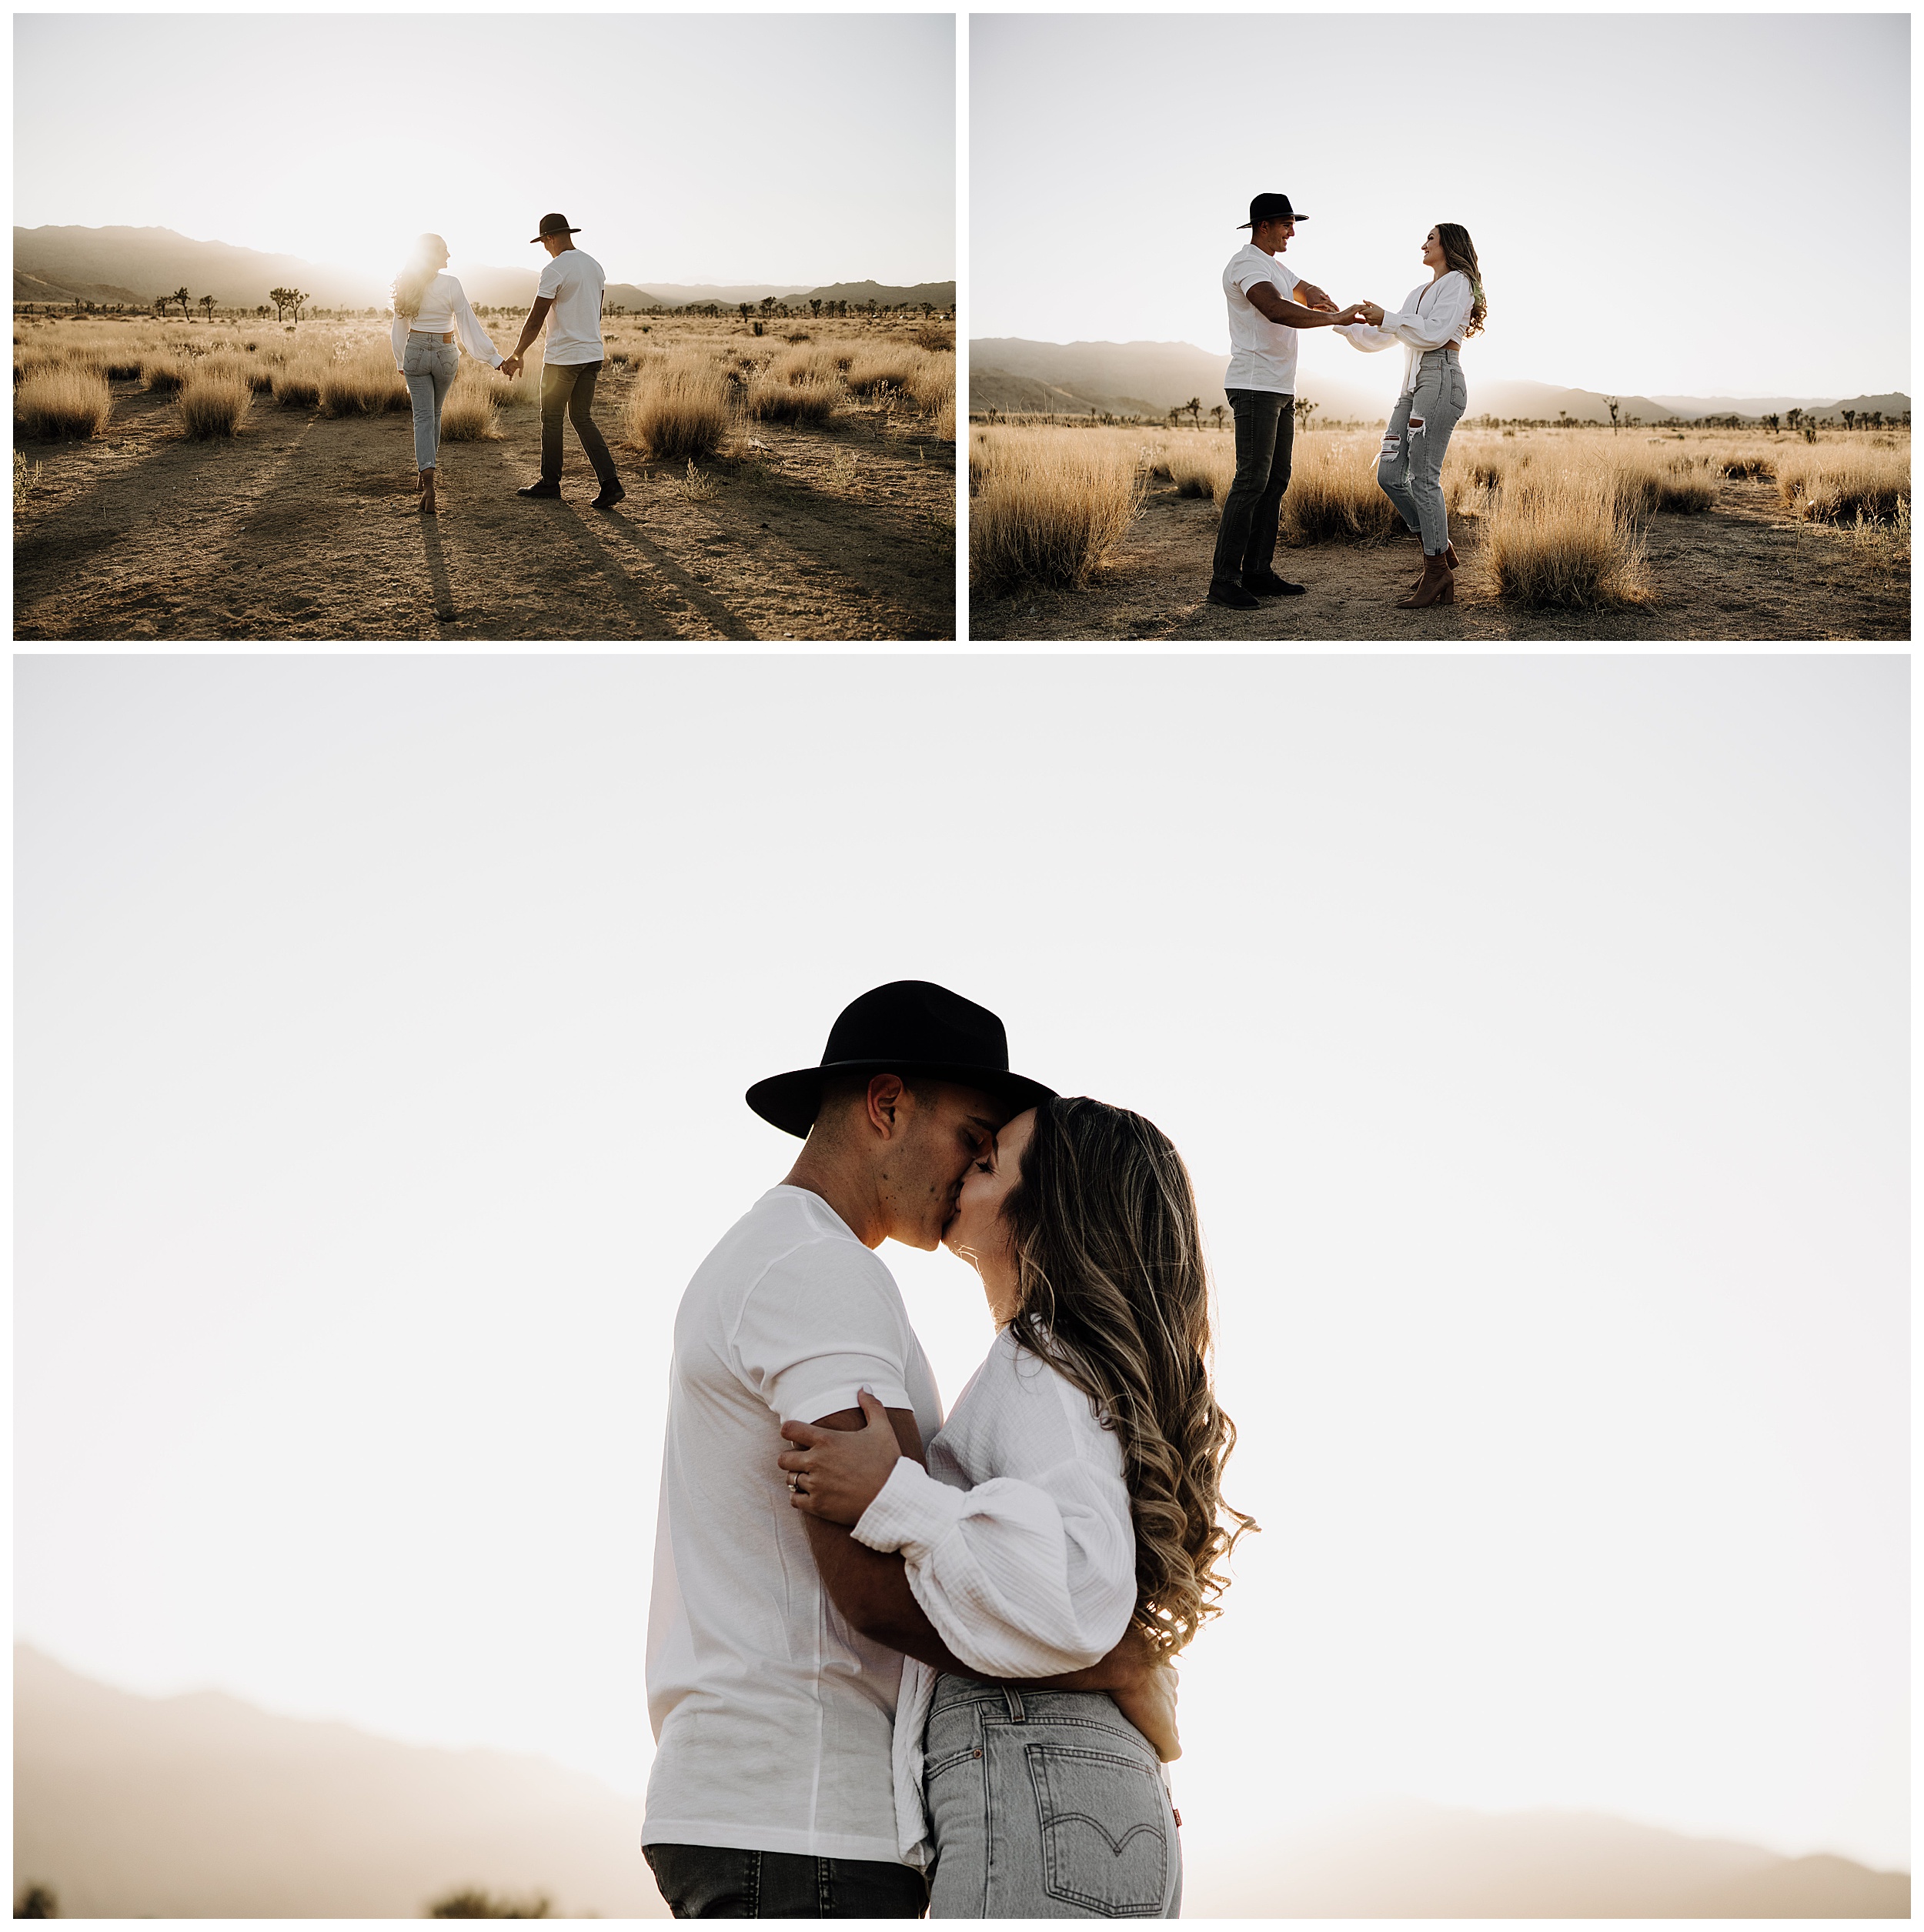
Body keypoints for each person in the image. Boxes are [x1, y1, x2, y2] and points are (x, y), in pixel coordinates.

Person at [641, 982, 1176, 1920]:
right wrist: (1117, 1662)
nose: (975, 1168)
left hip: (795, 1816)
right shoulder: (814, 1268)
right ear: (886, 1106)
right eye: (974, 1135)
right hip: (799, 1818)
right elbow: (872, 1585)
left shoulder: (809, 1263)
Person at [781, 1095, 1253, 1920]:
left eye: (989, 1160)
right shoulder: (1069, 1378)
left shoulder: (1038, 1367)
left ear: (1049, 1211)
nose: (964, 1167)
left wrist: (896, 1499)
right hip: (1073, 1779)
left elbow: (1072, 1581)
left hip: (1037, 1762)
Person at [1209, 192, 1368, 611]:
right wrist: (1334, 318)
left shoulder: (1275, 266)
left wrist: (1319, 297)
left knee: (1276, 480)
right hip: (1255, 384)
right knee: (1251, 481)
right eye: (1286, 225)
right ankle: (1223, 581)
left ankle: (1257, 572)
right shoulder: (1245, 265)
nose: (1292, 232)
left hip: (1280, 388)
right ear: (1264, 226)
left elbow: (1298, 289)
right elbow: (1275, 309)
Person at [1336, 223, 1488, 609]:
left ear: (1449, 245)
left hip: (1440, 378)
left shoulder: (1459, 283)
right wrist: (1338, 321)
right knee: (1388, 474)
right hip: (1411, 388)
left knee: (1423, 478)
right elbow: (1384, 337)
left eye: (1431, 239)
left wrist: (1387, 315)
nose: (1423, 244)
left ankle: (1436, 571)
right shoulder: (1416, 293)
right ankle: (1439, 546)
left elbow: (1434, 334)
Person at [499, 212, 625, 510]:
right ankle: (611, 483)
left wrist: (518, 353)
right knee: (582, 417)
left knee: (552, 418)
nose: (544, 247)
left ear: (550, 238)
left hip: (563, 359)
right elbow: (597, 313)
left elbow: (536, 318)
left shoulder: (554, 270)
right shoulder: (595, 266)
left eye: (544, 241)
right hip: (592, 354)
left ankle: (550, 483)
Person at [389, 234, 505, 516]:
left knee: (423, 417)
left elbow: (398, 328)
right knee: (435, 414)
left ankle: (427, 480)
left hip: (415, 351)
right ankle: (427, 470)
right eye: (444, 250)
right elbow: (467, 324)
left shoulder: (408, 285)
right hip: (445, 352)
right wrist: (494, 358)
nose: (449, 255)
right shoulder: (451, 284)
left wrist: (401, 360)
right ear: (432, 254)